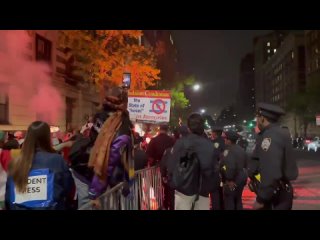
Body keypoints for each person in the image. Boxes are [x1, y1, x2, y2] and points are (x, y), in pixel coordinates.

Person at [5, 121, 75, 210]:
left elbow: (8, 197)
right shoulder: (57, 160)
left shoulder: (14, 163)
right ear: (47, 138)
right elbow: (69, 189)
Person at [248, 103, 298, 210]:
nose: (256, 121)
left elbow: (271, 171)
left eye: (257, 118)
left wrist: (261, 199)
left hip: (274, 195)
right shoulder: (279, 132)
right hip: (280, 191)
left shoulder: (270, 136)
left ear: (262, 118)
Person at [169, 113, 220, 210]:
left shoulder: (181, 143)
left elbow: (172, 165)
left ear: (189, 128)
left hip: (183, 189)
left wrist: (173, 181)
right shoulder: (209, 145)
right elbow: (214, 169)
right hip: (203, 190)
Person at [220, 131, 247, 210]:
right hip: (241, 177)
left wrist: (229, 179)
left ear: (229, 140)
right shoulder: (241, 150)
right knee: (238, 200)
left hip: (233, 178)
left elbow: (230, 166)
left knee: (229, 200)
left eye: (225, 139)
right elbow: (246, 165)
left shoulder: (228, 150)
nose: (224, 140)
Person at [210, 125, 225, 210]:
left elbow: (213, 156)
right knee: (222, 192)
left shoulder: (213, 143)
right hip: (225, 171)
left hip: (215, 170)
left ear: (214, 133)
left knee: (214, 192)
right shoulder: (225, 141)